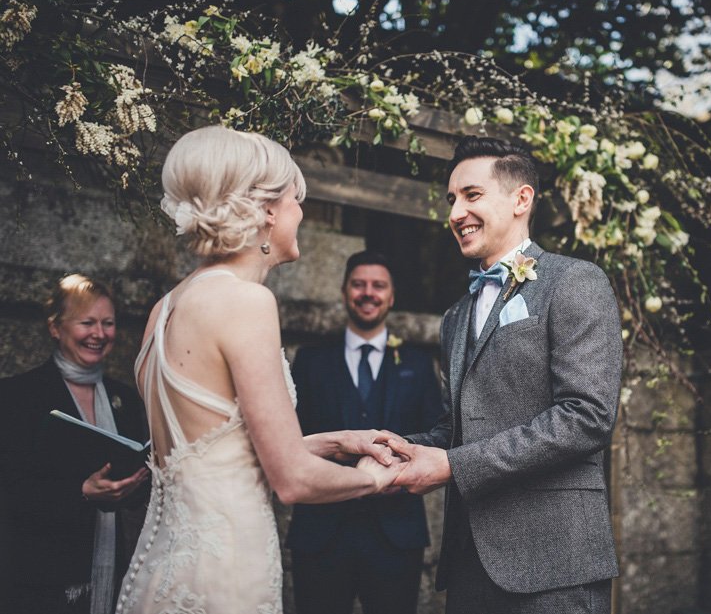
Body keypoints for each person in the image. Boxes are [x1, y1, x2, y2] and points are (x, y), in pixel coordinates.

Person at [116, 126, 403, 614]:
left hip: (162, 566)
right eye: (296, 199)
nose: (301, 212)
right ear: (267, 210)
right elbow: (290, 478)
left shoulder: (165, 307)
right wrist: (375, 480)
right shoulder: (246, 301)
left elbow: (220, 453)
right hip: (225, 568)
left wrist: (338, 442)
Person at [388, 136, 623, 613]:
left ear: (521, 199)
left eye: (471, 195)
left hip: (555, 565)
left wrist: (454, 466)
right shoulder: (455, 316)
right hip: (469, 564)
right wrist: (393, 448)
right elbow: (457, 428)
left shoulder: (575, 281)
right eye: (451, 199)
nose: (455, 213)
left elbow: (586, 417)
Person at [287, 250, 444, 614]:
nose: (368, 293)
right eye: (359, 284)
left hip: (396, 535)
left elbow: (438, 433)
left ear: (391, 296)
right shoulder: (310, 360)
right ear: (344, 292)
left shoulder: (419, 364)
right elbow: (291, 435)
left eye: (378, 286)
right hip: (320, 533)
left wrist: (397, 460)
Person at [0, 274, 150, 614]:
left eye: (108, 323)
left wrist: (139, 483)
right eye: (87, 323)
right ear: (56, 328)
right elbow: (9, 490)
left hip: (112, 575)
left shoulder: (122, 398)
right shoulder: (18, 395)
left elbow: (135, 482)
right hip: (41, 580)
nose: (99, 334)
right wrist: (82, 492)